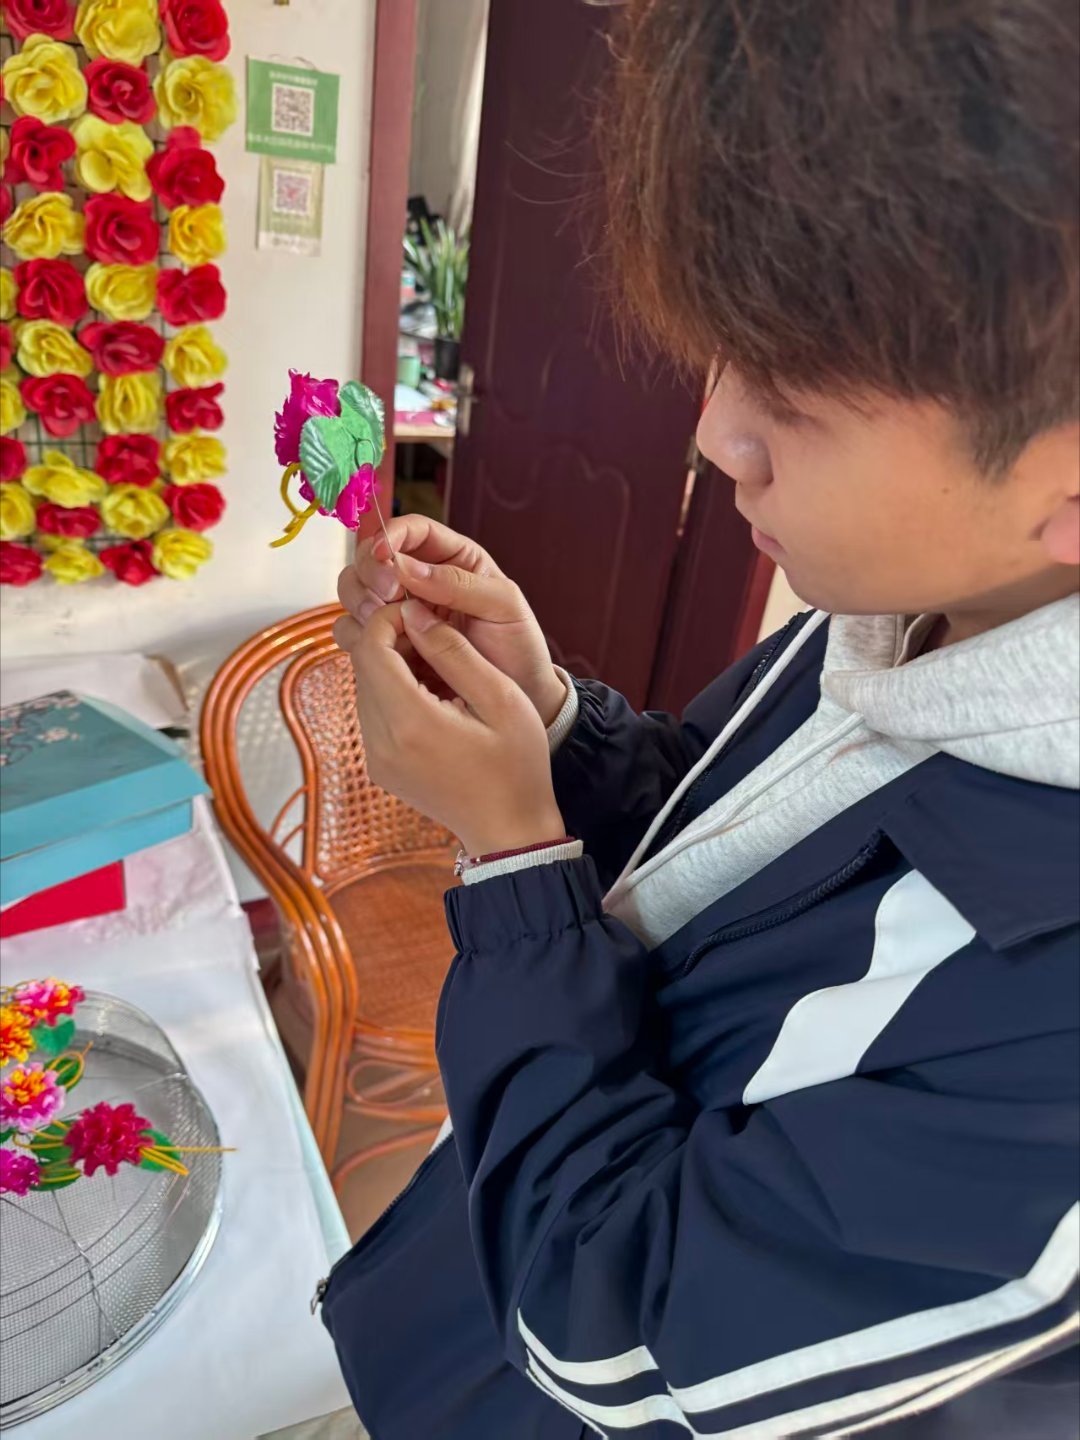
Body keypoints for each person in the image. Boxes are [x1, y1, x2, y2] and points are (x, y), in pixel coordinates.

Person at [326, 2, 1079, 1436]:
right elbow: (720, 835)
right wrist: (553, 720)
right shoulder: (917, 609)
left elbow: (616, 1330)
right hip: (452, 1317)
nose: (714, 432)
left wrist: (512, 860)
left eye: (788, 394)